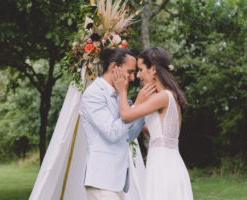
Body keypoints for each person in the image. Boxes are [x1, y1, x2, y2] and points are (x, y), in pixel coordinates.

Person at [113, 47, 194, 200]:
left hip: (164, 164)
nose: (138, 75)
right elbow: (154, 131)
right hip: (163, 161)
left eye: (141, 69)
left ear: (154, 70)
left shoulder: (163, 97)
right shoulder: (167, 96)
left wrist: (122, 90)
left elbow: (125, 115)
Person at [79, 47, 155, 200]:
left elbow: (128, 136)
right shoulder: (93, 94)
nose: (133, 78)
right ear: (114, 67)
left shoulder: (118, 97)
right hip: (101, 180)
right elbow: (113, 132)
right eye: (130, 72)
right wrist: (136, 106)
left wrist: (143, 112)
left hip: (115, 182)